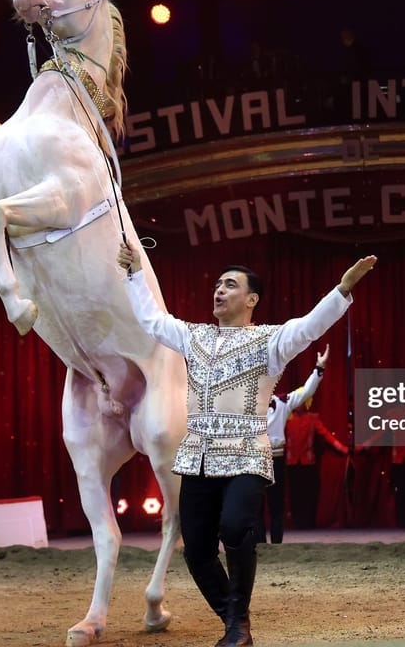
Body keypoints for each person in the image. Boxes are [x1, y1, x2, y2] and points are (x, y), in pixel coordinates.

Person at [117, 241, 376, 647]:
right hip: (198, 457)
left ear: (251, 299)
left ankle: (238, 628)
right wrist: (133, 274)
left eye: (230, 284)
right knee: (197, 552)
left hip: (245, 454)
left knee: (236, 528)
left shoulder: (271, 341)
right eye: (217, 284)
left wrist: (341, 291)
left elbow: (309, 326)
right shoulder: (193, 336)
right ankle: (236, 625)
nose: (219, 290)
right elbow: (151, 320)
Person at [261, 345, 330, 544]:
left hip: (276, 458)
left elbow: (306, 391)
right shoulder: (244, 404)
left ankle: (276, 546)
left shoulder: (282, 402)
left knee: (276, 505)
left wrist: (319, 368)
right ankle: (257, 546)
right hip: (254, 458)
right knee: (253, 505)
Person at [283, 376, 350, 532]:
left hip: (308, 463)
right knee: (295, 494)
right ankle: (298, 523)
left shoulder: (312, 419)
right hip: (292, 463)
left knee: (309, 494)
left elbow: (326, 435)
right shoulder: (287, 419)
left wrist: (342, 448)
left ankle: (309, 523)